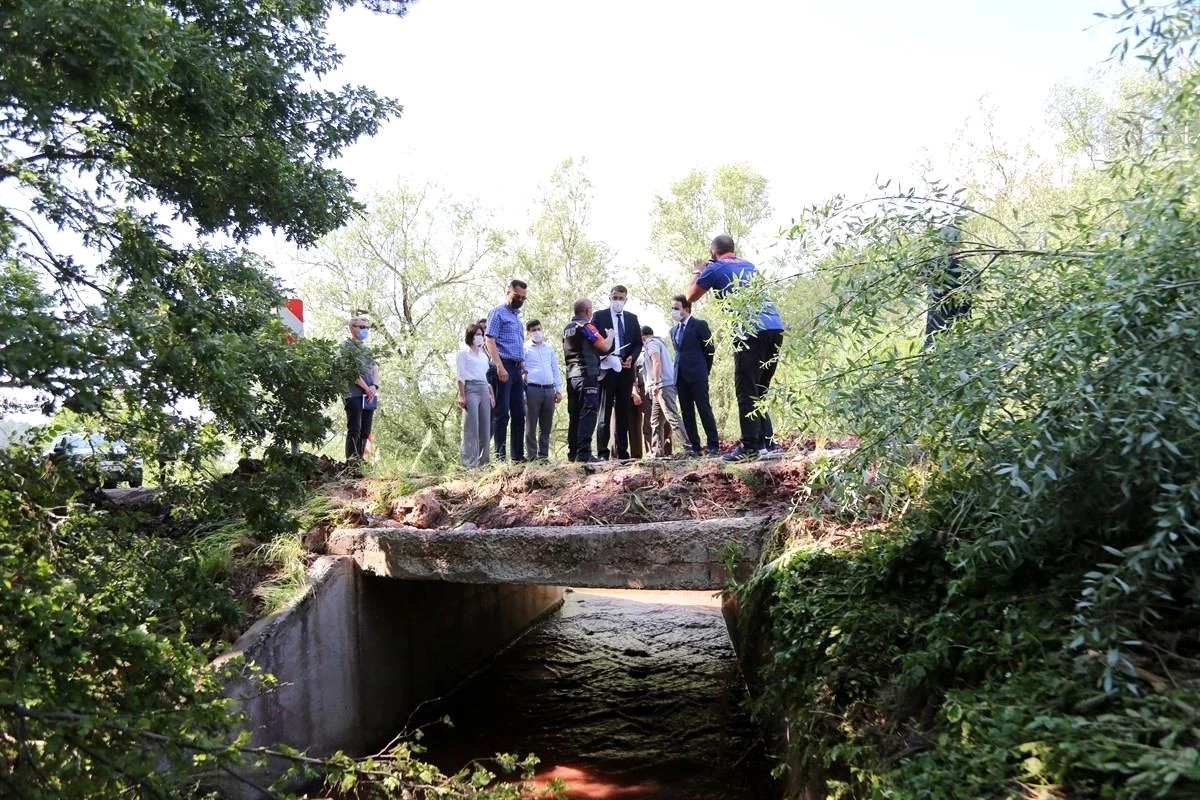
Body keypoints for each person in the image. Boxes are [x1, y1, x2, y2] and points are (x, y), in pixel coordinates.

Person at [688, 235, 786, 462]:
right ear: (733, 249)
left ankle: (750, 447)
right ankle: (767, 444)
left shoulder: (715, 267)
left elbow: (690, 296)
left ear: (713, 252)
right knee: (760, 389)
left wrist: (698, 271)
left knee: (746, 390)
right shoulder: (748, 265)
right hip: (774, 328)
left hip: (749, 330)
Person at [591, 285, 641, 460]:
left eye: (621, 298)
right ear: (610, 298)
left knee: (623, 411)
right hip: (607, 368)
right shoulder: (599, 316)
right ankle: (603, 453)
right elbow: (594, 341)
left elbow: (637, 343)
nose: (617, 301)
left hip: (626, 370)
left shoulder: (632, 318)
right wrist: (606, 356)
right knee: (604, 412)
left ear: (626, 300)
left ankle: (622, 452)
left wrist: (631, 358)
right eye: (614, 297)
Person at [562, 298, 614, 463]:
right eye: (591, 309)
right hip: (587, 375)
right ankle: (584, 453)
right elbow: (604, 346)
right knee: (589, 412)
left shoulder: (567, 329)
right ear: (587, 312)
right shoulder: (586, 326)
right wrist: (611, 336)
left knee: (575, 415)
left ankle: (573, 453)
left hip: (571, 377)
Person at [669, 295, 720, 457]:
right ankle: (695, 446)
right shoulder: (673, 330)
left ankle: (713, 445)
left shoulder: (699, 325)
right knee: (686, 412)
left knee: (704, 409)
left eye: (677, 308)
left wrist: (704, 371)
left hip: (697, 375)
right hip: (680, 376)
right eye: (673, 308)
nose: (674, 311)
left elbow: (710, 350)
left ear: (687, 309)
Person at [484, 279, 528, 462]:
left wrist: (523, 368)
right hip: (503, 367)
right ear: (507, 292)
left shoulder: (517, 319)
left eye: (523, 298)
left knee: (520, 413)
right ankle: (500, 457)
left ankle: (517, 456)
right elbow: (490, 340)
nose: (520, 299)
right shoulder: (497, 313)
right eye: (517, 296)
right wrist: (499, 366)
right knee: (502, 413)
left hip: (517, 369)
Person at [635, 324, 691, 458]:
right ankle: (656, 451)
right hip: (659, 388)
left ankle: (689, 448)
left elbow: (656, 362)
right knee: (655, 420)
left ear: (643, 338)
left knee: (672, 417)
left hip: (662, 386)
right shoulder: (659, 343)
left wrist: (655, 383)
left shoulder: (651, 343)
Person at [924, 224, 972, 348]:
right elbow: (977, 290)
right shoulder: (968, 267)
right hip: (960, 331)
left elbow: (914, 281)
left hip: (937, 331)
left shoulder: (931, 265)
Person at [522, 319, 563, 462]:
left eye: (538, 329)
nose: (537, 332)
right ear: (528, 333)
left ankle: (543, 456)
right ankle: (532, 457)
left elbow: (554, 369)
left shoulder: (549, 348)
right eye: (533, 330)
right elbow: (521, 371)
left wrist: (558, 389)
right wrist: (522, 392)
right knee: (531, 425)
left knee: (546, 426)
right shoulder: (524, 348)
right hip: (532, 389)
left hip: (549, 390)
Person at [341, 315, 380, 461]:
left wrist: (374, 386)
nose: (365, 330)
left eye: (366, 328)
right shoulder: (346, 347)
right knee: (355, 429)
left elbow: (375, 368)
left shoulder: (367, 349)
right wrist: (365, 387)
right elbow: (350, 371)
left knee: (365, 431)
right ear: (352, 328)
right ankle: (351, 461)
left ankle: (361, 461)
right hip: (353, 394)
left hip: (369, 396)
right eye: (362, 327)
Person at [457, 322, 495, 468]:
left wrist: (491, 395)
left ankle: (484, 463)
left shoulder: (484, 357)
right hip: (470, 389)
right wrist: (462, 395)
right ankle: (469, 463)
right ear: (471, 336)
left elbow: (485, 378)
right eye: (477, 334)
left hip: (484, 389)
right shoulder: (463, 354)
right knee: (471, 427)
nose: (480, 337)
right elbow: (460, 376)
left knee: (485, 427)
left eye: (482, 335)